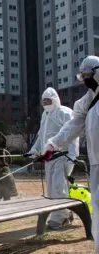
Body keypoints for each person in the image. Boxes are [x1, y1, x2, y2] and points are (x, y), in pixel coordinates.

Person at [42, 55, 99, 252]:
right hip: (96, 162)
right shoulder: (88, 101)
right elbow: (73, 125)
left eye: (88, 75)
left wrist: (70, 156)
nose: (86, 80)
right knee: (98, 204)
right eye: (83, 77)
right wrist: (53, 143)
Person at [26, 87, 79, 230]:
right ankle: (66, 214)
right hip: (48, 158)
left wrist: (73, 155)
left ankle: (59, 218)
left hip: (63, 156)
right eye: (44, 101)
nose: (46, 103)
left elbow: (73, 133)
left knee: (58, 187)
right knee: (52, 189)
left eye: (48, 100)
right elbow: (41, 135)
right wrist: (34, 150)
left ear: (55, 99)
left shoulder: (64, 112)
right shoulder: (45, 115)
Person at [0, 132, 18, 202]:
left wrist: (6, 165)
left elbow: (10, 159)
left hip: (5, 171)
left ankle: (7, 199)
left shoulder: (5, 151)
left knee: (7, 194)